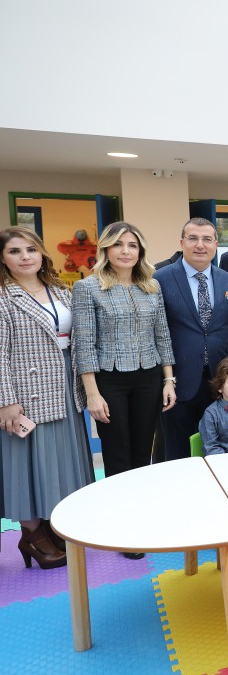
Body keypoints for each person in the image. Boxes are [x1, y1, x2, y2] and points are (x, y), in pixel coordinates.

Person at [0, 227, 94, 570]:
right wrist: (6, 401)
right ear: (3, 259)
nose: (25, 257)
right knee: (24, 463)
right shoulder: (3, 298)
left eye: (31, 249)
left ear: (42, 253)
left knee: (61, 460)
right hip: (25, 393)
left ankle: (54, 524)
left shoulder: (61, 291)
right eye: (14, 251)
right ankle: (31, 532)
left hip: (65, 387)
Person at [73, 221, 176, 493]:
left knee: (143, 452)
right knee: (116, 454)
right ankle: (117, 508)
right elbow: (84, 344)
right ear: (105, 249)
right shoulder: (87, 288)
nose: (125, 251)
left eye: (132, 245)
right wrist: (92, 395)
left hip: (149, 378)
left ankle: (140, 505)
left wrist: (169, 380)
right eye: (118, 244)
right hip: (110, 381)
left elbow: (163, 336)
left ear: (140, 251)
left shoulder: (152, 286)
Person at [154, 217, 228, 460]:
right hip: (178, 382)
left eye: (207, 239)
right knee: (176, 452)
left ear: (216, 244)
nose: (200, 245)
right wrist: (164, 378)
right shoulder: (160, 279)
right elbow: (155, 332)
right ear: (181, 243)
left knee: (220, 448)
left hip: (219, 381)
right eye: (193, 239)